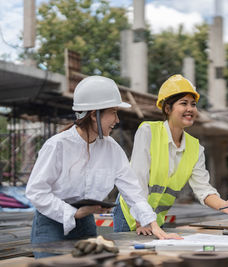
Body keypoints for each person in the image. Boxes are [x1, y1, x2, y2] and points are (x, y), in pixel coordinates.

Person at [26, 76, 180, 258]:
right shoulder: (58, 146)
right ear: (94, 114)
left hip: (86, 222)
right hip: (52, 223)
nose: (117, 120)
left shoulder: (112, 148)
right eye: (113, 112)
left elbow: (133, 192)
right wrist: (73, 213)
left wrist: (154, 226)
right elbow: (36, 192)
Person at [113, 74, 228, 234]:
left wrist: (225, 205)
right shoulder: (148, 131)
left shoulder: (195, 148)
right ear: (167, 108)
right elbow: (139, 179)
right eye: (183, 103)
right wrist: (141, 221)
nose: (190, 109)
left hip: (155, 218)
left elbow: (203, 189)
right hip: (130, 214)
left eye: (193, 104)